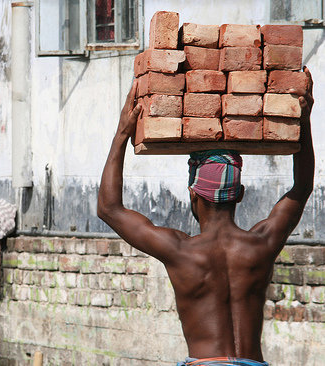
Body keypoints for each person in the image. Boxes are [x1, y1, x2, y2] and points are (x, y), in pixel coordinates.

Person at [97, 67, 314, 366]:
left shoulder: (181, 251)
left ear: (193, 193)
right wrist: (304, 121)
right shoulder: (262, 244)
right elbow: (301, 188)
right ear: (239, 193)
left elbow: (109, 208)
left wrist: (122, 132)